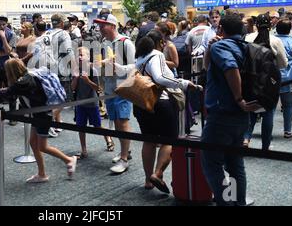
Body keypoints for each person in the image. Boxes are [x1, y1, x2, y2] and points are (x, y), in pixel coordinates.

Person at [0, 59, 77, 183]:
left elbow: (9, 92)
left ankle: (69, 160)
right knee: (33, 142)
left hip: (42, 114)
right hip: (38, 113)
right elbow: (13, 91)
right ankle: (42, 174)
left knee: (43, 146)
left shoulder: (24, 81)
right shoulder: (26, 77)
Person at [201, 13, 260, 206]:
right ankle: (237, 202)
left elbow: (231, 68)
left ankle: (226, 202)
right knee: (235, 164)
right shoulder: (245, 47)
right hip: (242, 116)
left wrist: (239, 98)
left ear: (220, 29)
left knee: (212, 163)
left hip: (222, 115)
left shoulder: (222, 46)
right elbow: (207, 66)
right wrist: (210, 48)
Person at [134, 31, 199, 192]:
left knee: (148, 141)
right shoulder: (156, 55)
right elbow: (161, 77)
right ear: (160, 43)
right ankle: (157, 174)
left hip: (142, 104)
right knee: (169, 140)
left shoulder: (140, 57)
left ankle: (148, 180)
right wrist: (183, 83)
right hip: (161, 103)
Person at [95, 13, 135, 174]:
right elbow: (104, 65)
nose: (100, 28)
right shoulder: (104, 43)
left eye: (102, 25)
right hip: (110, 88)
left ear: (112, 25)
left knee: (123, 122)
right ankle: (125, 152)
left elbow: (134, 66)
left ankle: (124, 158)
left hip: (124, 88)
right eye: (99, 25)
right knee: (117, 123)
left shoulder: (126, 43)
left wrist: (117, 66)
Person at [243, 13, 288, 150]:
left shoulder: (247, 38)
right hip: (269, 82)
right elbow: (283, 63)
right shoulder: (275, 40)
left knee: (250, 110)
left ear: (256, 25)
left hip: (250, 79)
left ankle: (246, 138)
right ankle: (265, 146)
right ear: (270, 25)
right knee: (269, 111)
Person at [72, 47, 114, 158]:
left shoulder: (93, 70)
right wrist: (75, 79)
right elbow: (72, 88)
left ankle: (108, 138)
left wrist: (88, 81)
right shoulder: (76, 70)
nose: (80, 57)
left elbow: (98, 88)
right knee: (80, 127)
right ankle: (84, 150)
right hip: (80, 104)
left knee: (97, 126)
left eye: (82, 55)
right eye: (78, 55)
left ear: (88, 57)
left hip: (92, 103)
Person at [275, 19, 292, 139]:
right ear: (290, 29)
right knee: (288, 105)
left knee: (269, 106)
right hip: (287, 78)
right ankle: (287, 131)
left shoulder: (272, 39)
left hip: (271, 77)